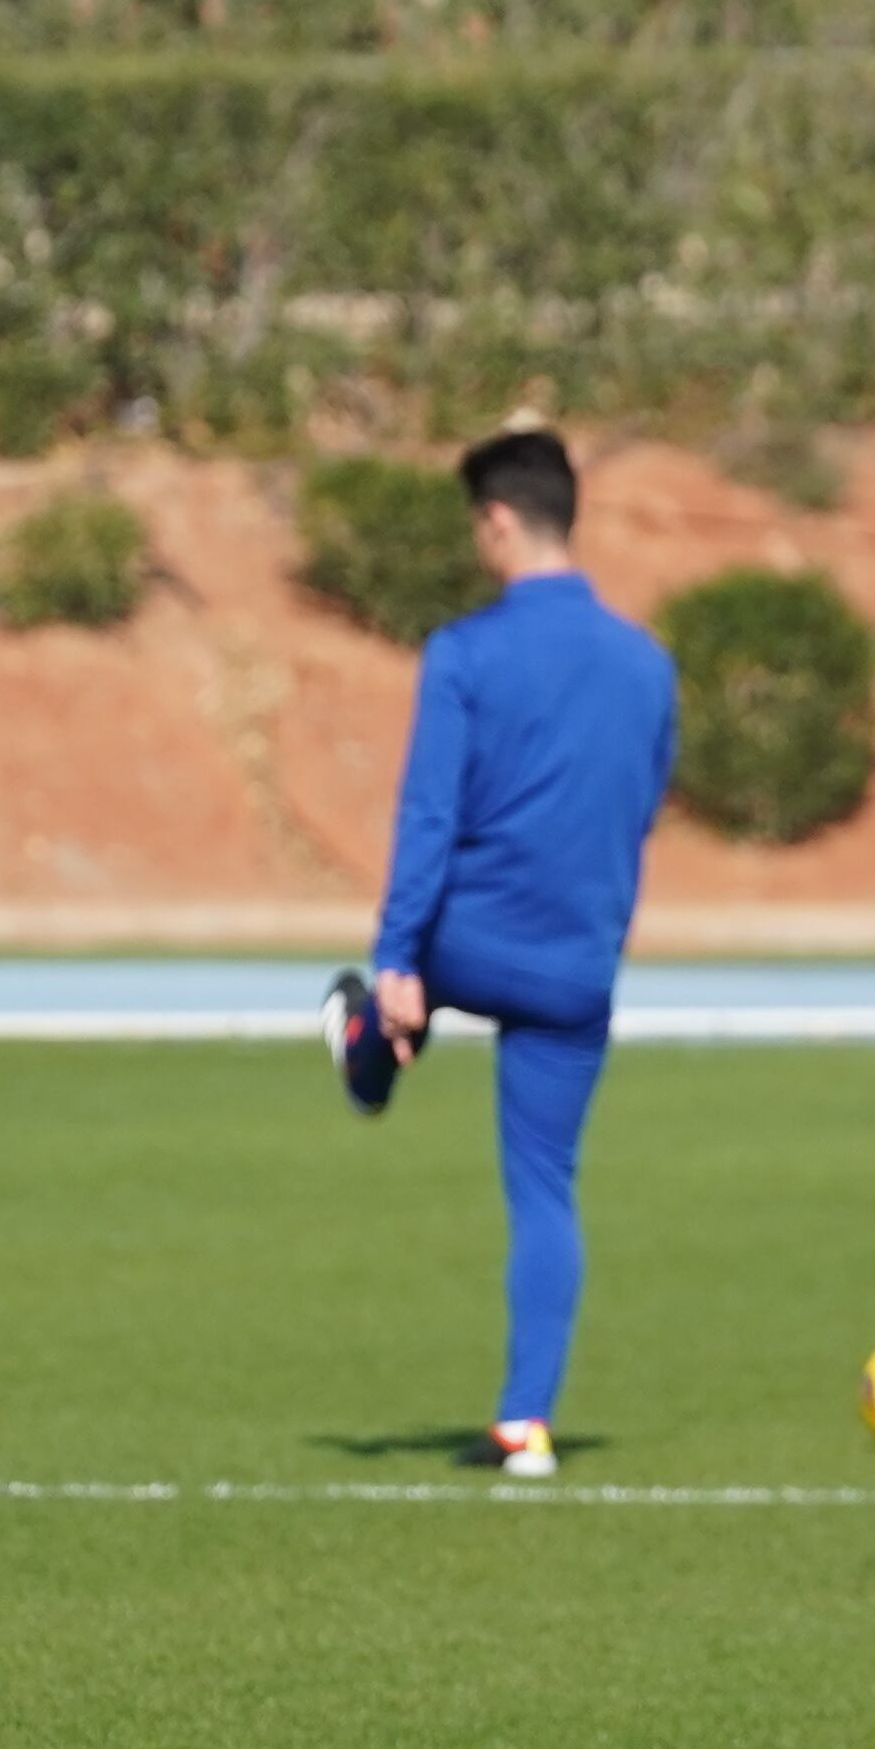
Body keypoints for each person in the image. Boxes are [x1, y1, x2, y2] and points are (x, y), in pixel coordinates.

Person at [320, 430, 677, 1482]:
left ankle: (371, 1046)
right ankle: (526, 1423)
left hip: (465, 943)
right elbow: (637, 808)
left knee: (393, 995)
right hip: (575, 963)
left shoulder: (465, 653)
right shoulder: (646, 663)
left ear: (496, 520)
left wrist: (395, 956)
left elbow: (428, 814)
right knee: (545, 1189)